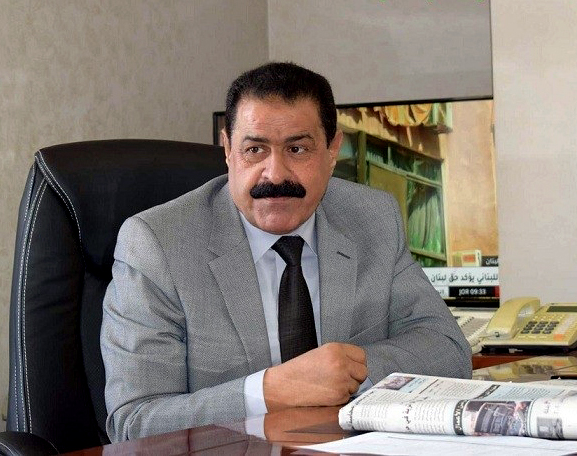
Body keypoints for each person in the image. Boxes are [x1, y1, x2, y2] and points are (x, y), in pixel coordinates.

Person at [101, 61, 472, 442]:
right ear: (228, 150)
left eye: (297, 149)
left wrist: (349, 369)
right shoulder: (157, 244)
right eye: (254, 149)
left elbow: (448, 350)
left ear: (332, 150)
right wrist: (267, 391)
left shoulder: (372, 218)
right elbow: (135, 422)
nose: (275, 174)